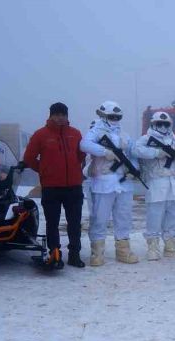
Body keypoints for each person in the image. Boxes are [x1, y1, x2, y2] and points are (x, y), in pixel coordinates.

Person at [22, 102, 86, 268]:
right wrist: (44, 170)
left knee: (74, 222)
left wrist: (75, 171)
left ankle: (74, 254)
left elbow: (81, 156)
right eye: (57, 114)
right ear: (50, 115)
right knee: (52, 222)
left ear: (67, 116)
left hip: (74, 186)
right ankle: (54, 253)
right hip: (51, 187)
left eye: (63, 114)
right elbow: (29, 159)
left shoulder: (75, 134)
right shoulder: (40, 135)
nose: (60, 118)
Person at [80, 100, 139, 266]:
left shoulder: (124, 135)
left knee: (124, 218)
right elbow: (84, 144)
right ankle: (97, 252)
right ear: (103, 115)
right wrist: (104, 151)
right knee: (100, 218)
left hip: (123, 183)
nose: (115, 119)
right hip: (104, 182)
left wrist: (133, 169)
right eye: (112, 116)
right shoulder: (96, 131)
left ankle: (123, 250)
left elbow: (132, 154)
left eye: (117, 116)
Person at [135, 111, 175, 260]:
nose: (163, 126)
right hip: (157, 181)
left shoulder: (174, 141)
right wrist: (157, 153)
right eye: (159, 123)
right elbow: (136, 150)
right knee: (155, 216)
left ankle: (170, 245)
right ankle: (153, 246)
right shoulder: (146, 138)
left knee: (174, 215)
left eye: (166, 124)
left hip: (174, 182)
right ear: (153, 124)